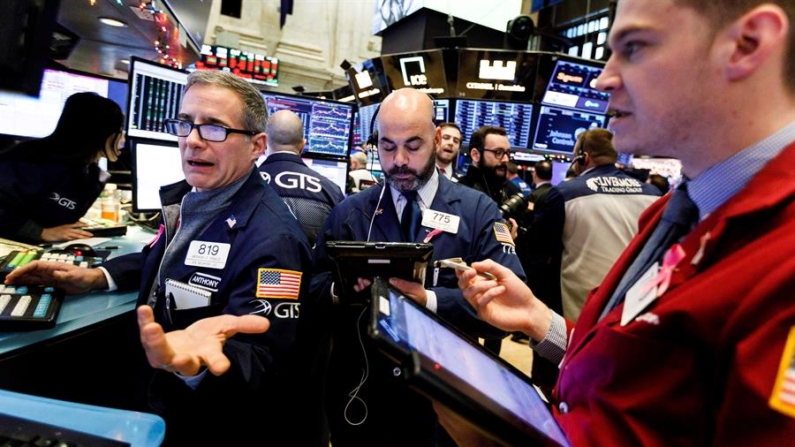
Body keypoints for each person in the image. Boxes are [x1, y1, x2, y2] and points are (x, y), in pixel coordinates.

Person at [443, 0, 795, 445]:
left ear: (747, 46)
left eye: (634, 47)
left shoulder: (783, 260)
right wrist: (538, 319)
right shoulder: (677, 208)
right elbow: (637, 376)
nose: (604, 77)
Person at [5, 70, 317, 446]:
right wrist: (97, 276)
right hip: (150, 385)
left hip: (194, 418)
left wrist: (196, 366)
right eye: (185, 125)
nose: (192, 142)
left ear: (257, 145)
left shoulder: (275, 241)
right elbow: (169, 258)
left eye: (215, 128)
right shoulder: (195, 197)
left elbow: (262, 359)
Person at [315, 88, 526, 447]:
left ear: (437, 138)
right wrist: (343, 288)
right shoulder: (350, 212)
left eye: (413, 146)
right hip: (362, 397)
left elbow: (507, 300)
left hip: (445, 402)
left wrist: (428, 299)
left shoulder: (477, 212)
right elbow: (312, 286)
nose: (398, 160)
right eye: (387, 146)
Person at [530, 128, 660, 322]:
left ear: (584, 157)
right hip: (634, 304)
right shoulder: (653, 194)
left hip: (581, 310)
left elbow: (537, 250)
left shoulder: (565, 193)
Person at [0, 92, 125, 242]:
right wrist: (41, 232)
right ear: (98, 133)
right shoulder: (30, 163)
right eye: (119, 131)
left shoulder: (88, 172)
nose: (123, 138)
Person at [258, 109, 345, 247]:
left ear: (263, 143)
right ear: (302, 146)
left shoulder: (242, 184)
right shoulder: (330, 190)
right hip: (309, 268)